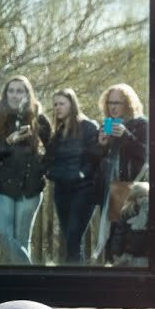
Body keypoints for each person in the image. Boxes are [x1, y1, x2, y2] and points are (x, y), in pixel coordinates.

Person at [0, 76, 53, 265]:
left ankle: (18, 287)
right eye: (11, 91)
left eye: (20, 91)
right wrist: (8, 141)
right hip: (1, 186)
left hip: (30, 187)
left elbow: (53, 151)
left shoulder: (39, 118)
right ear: (5, 94)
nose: (15, 95)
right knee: (1, 233)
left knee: (21, 241)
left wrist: (40, 169)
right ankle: (31, 274)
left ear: (28, 94)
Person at [45, 88, 102, 264]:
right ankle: (80, 279)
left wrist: (81, 174)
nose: (58, 108)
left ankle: (76, 281)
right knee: (71, 240)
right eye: (55, 104)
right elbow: (50, 158)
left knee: (74, 236)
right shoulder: (58, 131)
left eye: (62, 103)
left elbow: (95, 156)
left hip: (83, 190)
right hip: (62, 189)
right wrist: (50, 173)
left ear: (72, 104)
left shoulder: (88, 126)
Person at [93, 83, 149, 261]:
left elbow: (146, 153)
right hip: (110, 188)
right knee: (111, 237)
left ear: (128, 103)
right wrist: (101, 145)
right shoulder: (107, 124)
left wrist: (126, 135)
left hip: (131, 187)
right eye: (110, 103)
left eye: (118, 103)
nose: (113, 107)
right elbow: (97, 160)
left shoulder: (141, 124)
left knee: (127, 239)